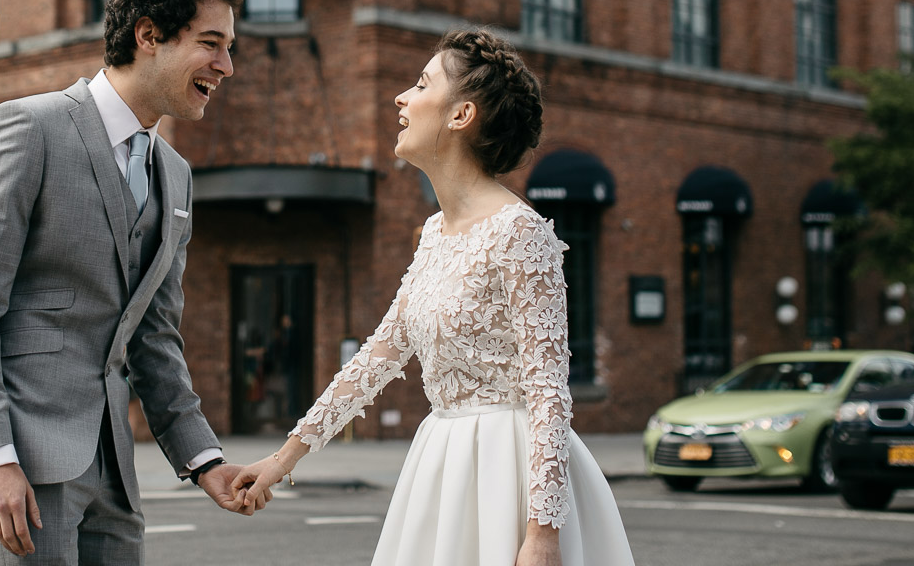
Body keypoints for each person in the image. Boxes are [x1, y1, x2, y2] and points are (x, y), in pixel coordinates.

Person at [230, 29, 634, 566]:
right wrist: (282, 460)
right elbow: (375, 359)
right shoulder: (434, 233)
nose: (401, 97)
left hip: (508, 473)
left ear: (461, 115)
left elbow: (548, 393)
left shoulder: (521, 233)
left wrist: (542, 534)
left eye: (421, 84)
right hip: (440, 465)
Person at [0, 0, 260, 562]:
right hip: (20, 459)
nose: (226, 66)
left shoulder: (176, 176)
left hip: (114, 473)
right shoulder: (29, 128)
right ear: (149, 36)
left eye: (229, 48)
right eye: (212, 43)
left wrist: (204, 460)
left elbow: (155, 338)